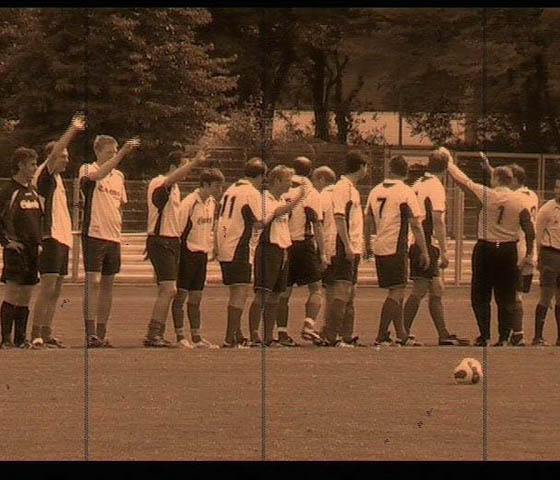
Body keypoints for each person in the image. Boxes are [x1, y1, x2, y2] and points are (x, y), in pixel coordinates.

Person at [442, 147, 534, 346]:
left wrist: (449, 162)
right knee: (506, 296)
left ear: (496, 180)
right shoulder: (520, 201)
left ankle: (484, 335)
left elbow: (464, 181)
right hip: (508, 249)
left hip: (486, 248)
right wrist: (529, 254)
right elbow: (529, 230)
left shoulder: (487, 194)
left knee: (480, 295)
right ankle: (503, 337)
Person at [29, 113, 86, 349]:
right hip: (50, 237)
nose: (66, 160)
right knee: (48, 287)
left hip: (62, 239)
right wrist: (73, 129)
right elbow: (55, 153)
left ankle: (47, 331)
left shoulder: (59, 180)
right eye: (63, 156)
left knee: (56, 289)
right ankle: (35, 333)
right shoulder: (45, 173)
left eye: (67, 156)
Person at [402, 149, 470, 346]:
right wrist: (445, 250)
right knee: (420, 289)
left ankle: (443, 334)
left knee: (436, 289)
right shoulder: (435, 186)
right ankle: (402, 333)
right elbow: (438, 219)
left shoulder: (418, 182)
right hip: (425, 243)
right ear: (447, 167)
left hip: (418, 241)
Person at [143, 147, 208, 348]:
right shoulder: (160, 182)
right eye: (183, 167)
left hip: (170, 241)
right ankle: (154, 333)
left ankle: (156, 332)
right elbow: (168, 182)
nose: (186, 172)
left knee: (168, 289)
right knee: (169, 289)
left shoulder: (175, 188)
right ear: (173, 167)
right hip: (161, 240)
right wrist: (195, 162)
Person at [79, 135, 140, 348]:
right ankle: (90, 333)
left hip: (113, 235)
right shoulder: (87, 168)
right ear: (98, 152)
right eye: (109, 152)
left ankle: (101, 333)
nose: (113, 156)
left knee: (108, 284)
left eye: (115, 152)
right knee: (93, 282)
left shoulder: (119, 176)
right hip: (94, 233)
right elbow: (97, 176)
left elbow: (120, 204)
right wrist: (122, 153)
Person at [365, 155, 430, 347]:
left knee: (396, 291)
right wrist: (424, 250)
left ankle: (402, 334)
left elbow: (368, 218)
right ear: (406, 172)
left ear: (389, 169)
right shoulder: (405, 192)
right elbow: (415, 224)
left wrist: (367, 243)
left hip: (380, 245)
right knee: (397, 291)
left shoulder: (375, 190)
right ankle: (381, 335)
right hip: (396, 246)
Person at [480, 155, 539, 346]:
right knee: (514, 293)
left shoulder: (516, 197)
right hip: (526, 249)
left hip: (517, 249)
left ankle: (518, 333)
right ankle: (516, 332)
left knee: (513, 294)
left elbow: (501, 192)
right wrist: (489, 168)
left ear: (515, 180)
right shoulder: (530, 195)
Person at [247, 165, 306, 347]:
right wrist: (298, 198)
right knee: (262, 293)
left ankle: (268, 335)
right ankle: (254, 334)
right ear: (277, 180)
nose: (290, 184)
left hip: (281, 249)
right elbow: (276, 213)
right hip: (268, 248)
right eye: (287, 180)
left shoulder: (281, 199)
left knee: (276, 295)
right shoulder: (265, 199)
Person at [170, 168, 225, 349]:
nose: (220, 190)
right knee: (181, 296)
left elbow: (210, 228)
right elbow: (179, 230)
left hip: (202, 255)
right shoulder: (189, 203)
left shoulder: (211, 203)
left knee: (196, 297)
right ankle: (180, 336)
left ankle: (197, 337)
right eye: (216, 186)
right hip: (187, 254)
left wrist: (212, 247)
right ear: (205, 185)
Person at [216, 158, 267, 348]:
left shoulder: (231, 189)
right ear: (260, 176)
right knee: (240, 291)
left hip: (225, 245)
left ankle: (237, 334)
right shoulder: (251, 192)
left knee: (235, 291)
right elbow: (259, 222)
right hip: (239, 246)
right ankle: (230, 338)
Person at [276, 156, 328, 346]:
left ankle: (282, 332)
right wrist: (322, 253)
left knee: (284, 292)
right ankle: (308, 325)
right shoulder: (309, 191)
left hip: (284, 243)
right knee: (316, 288)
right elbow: (317, 223)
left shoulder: (284, 187)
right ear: (310, 171)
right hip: (303, 245)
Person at [322, 151, 368, 347]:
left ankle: (346, 335)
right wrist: (348, 245)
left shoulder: (352, 189)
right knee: (342, 291)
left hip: (353, 247)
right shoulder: (343, 188)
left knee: (350, 292)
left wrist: (359, 245)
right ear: (361, 166)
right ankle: (331, 336)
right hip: (343, 248)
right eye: (366, 166)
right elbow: (339, 217)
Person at [0, 147, 42, 349]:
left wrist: (39, 243)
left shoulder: (33, 191)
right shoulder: (9, 190)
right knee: (12, 293)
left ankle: (21, 339)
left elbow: (38, 219)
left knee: (26, 296)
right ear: (20, 165)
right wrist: (6, 242)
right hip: (16, 250)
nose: (35, 168)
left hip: (32, 251)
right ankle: (6, 340)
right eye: (32, 164)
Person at [533, 178, 560, 346]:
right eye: (556, 187)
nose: (558, 190)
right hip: (550, 254)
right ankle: (538, 336)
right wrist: (538, 258)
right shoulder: (547, 209)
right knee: (546, 296)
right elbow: (538, 234)